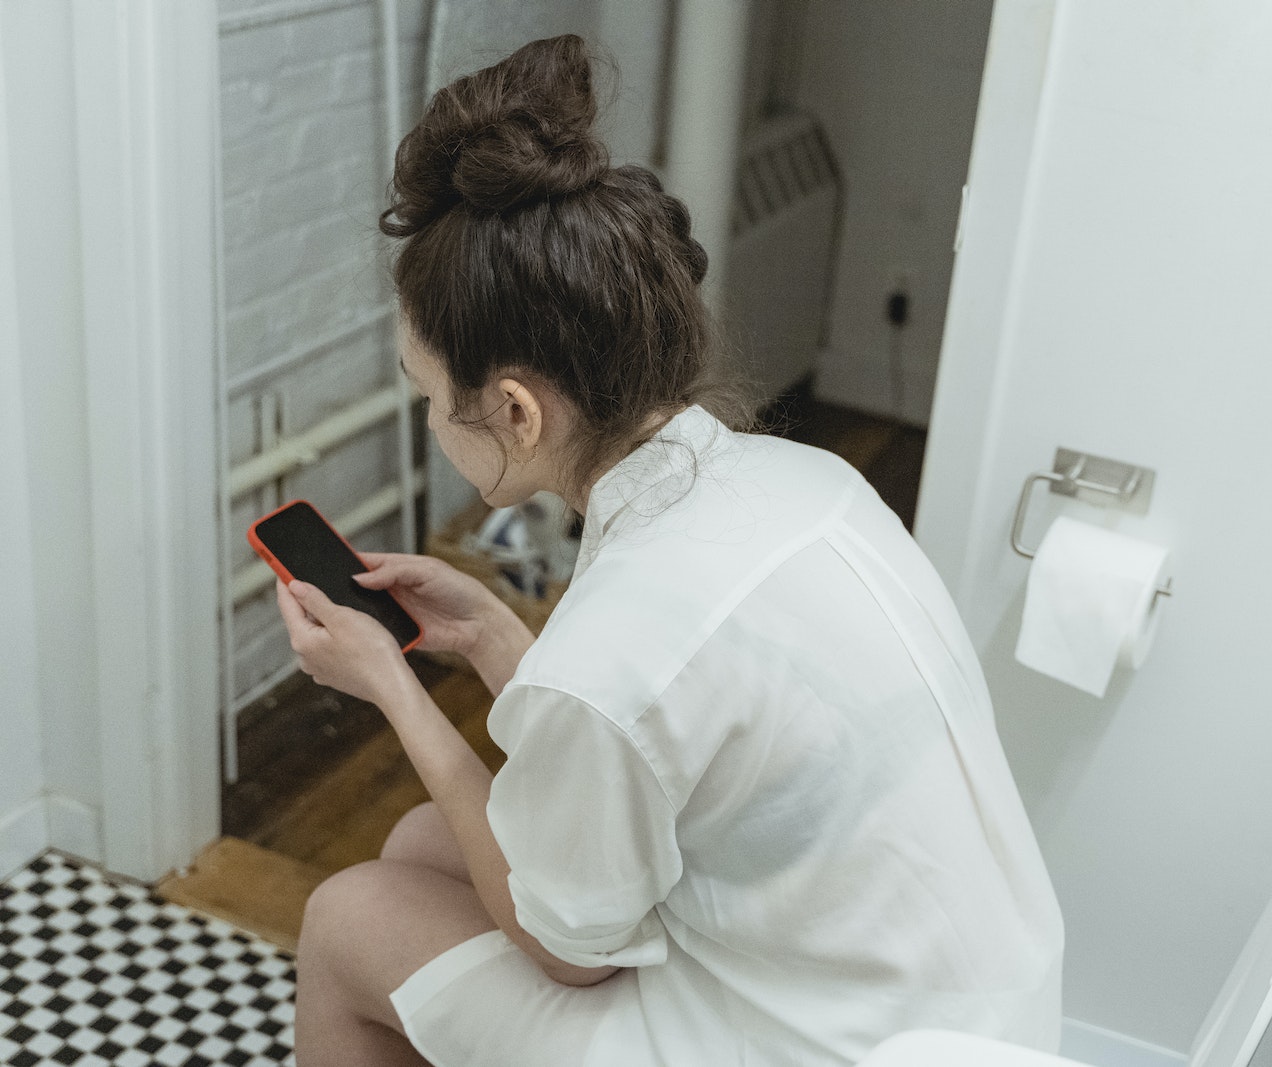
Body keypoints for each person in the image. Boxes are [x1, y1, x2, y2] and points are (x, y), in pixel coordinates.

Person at [275, 34, 1063, 1067]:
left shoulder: (612, 649)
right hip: (957, 1009)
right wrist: (501, 637)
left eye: (430, 394)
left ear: (512, 409)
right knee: (429, 842)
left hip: (824, 1044)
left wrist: (396, 691)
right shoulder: (803, 484)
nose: (428, 418)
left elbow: (571, 954)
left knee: (347, 917)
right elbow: (670, 733)